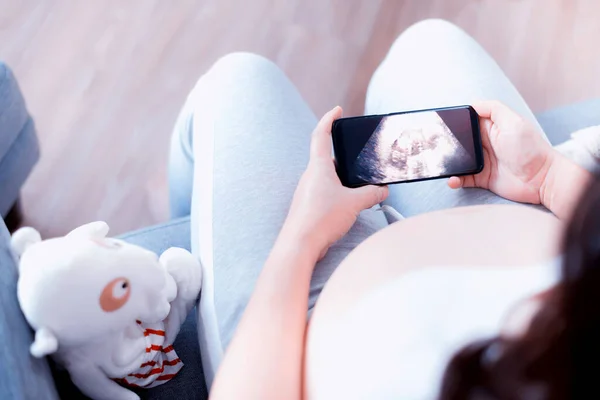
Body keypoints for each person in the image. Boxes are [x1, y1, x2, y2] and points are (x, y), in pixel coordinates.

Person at [168, 19, 597, 399]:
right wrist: (547, 176)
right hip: (537, 214)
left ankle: (179, 258)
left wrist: (300, 238)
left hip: (299, 334)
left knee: (238, 79)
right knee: (428, 43)